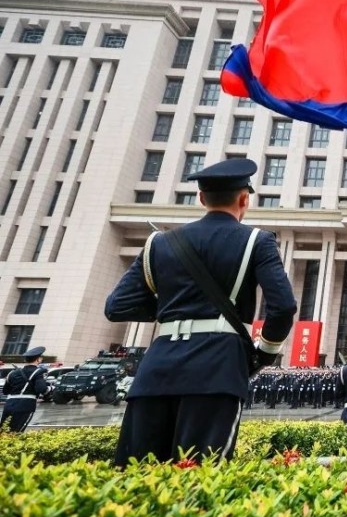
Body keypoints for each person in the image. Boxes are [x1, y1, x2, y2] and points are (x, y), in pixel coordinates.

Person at [106, 158, 297, 464]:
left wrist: (172, 309)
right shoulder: (257, 241)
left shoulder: (159, 243)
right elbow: (283, 306)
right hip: (217, 368)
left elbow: (117, 306)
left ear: (201, 198)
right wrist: (264, 352)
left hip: (156, 370)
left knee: (136, 473)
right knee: (200, 473)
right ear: (244, 199)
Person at [1, 346, 53, 433]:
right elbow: (41, 389)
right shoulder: (39, 371)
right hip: (25, 404)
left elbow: (5, 391)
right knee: (17, 431)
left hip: (9, 404)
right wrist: (50, 388)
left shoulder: (12, 373)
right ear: (38, 360)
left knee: (3, 431)